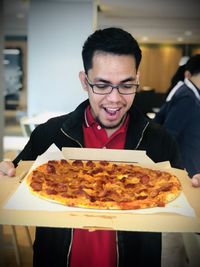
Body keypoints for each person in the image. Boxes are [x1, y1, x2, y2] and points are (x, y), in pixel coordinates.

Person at [0, 27, 199, 267]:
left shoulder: (161, 140)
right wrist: (6, 172)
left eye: (126, 85)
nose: (114, 99)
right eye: (102, 85)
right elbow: (15, 182)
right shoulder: (48, 134)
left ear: (137, 78)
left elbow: (185, 207)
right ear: (85, 81)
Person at [154, 54, 200, 178]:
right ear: (188, 75)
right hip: (185, 163)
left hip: (187, 159)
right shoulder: (187, 97)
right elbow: (170, 132)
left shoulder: (188, 93)